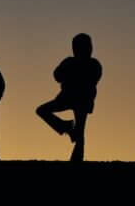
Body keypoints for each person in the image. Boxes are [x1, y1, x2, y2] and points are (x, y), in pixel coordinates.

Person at [36, 33, 102, 162]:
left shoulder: (92, 64)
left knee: (80, 131)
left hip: (82, 100)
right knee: (42, 111)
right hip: (68, 98)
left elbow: (92, 81)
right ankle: (65, 126)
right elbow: (57, 76)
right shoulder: (71, 62)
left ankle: (76, 158)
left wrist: (71, 76)